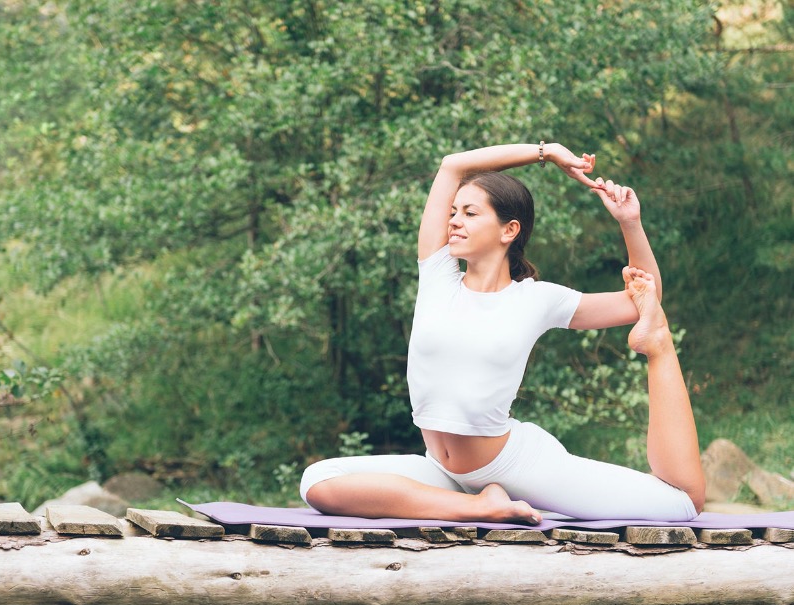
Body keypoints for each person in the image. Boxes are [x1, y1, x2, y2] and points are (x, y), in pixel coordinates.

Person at [299, 142, 706, 524]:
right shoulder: (438, 275)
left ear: (508, 230)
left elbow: (644, 295)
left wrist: (629, 223)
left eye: (470, 213)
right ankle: (477, 506)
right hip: (443, 470)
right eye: (454, 211)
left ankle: (659, 348)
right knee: (318, 481)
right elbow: (452, 164)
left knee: (682, 503)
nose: (454, 220)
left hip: (516, 466)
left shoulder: (537, 300)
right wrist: (547, 153)